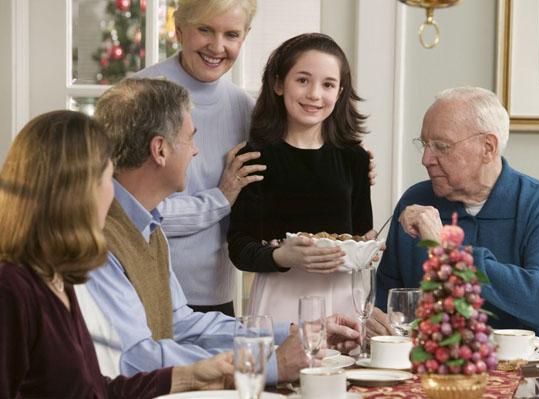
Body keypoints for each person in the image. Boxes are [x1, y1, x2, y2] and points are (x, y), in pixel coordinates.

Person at [84, 78, 360, 385]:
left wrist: (298, 332)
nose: (196, 152)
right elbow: (135, 358)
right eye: (190, 139)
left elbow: (183, 324)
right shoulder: (99, 241)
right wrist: (268, 363)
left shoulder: (149, 225)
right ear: (160, 150)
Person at [136, 0, 376, 316]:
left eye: (231, 34)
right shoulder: (140, 95)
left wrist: (355, 167)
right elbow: (131, 207)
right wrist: (220, 199)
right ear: (179, 29)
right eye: (205, 29)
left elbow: (358, 231)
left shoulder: (243, 110)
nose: (217, 46)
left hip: (217, 292)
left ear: (245, 36)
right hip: (148, 286)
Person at [0, 110, 234, 399]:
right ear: (75, 191)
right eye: (108, 178)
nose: (112, 195)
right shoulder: (11, 288)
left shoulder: (58, 279)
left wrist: (187, 377)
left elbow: (94, 390)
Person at [370, 86, 539, 343]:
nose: (426, 159)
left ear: (488, 147)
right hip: (430, 369)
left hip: (531, 373)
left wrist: (451, 252)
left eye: (441, 146)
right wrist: (376, 322)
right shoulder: (414, 201)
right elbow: (388, 299)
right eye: (424, 144)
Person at [227, 33, 373, 323]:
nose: (315, 94)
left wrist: (369, 249)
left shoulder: (354, 158)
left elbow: (362, 234)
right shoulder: (255, 158)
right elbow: (240, 249)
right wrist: (284, 256)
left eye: (328, 84)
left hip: (344, 299)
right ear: (279, 84)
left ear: (340, 91)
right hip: (278, 303)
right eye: (303, 80)